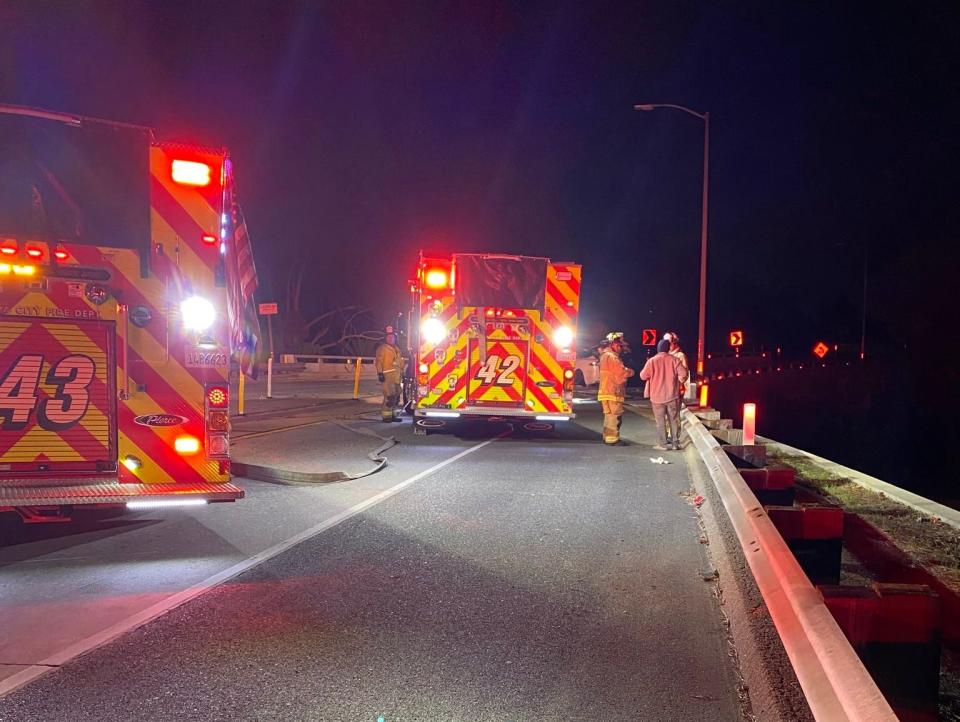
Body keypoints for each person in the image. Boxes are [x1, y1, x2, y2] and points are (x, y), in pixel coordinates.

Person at [640, 338, 688, 451]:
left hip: (657, 397)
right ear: (668, 348)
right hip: (672, 395)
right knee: (674, 419)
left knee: (660, 421)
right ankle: (675, 443)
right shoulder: (675, 360)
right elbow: (684, 373)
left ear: (658, 348)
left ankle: (663, 444)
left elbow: (643, 376)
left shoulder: (652, 361)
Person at [597, 332, 635, 445]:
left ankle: (607, 437)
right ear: (613, 344)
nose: (621, 348)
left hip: (605, 391)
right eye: (619, 346)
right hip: (614, 391)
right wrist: (631, 371)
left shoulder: (604, 356)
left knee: (609, 416)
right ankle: (612, 439)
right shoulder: (612, 357)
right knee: (615, 416)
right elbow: (621, 372)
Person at [375, 326, 405, 422]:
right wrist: (380, 373)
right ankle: (386, 417)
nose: (390, 338)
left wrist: (403, 372)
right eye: (388, 337)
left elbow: (400, 362)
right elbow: (378, 361)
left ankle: (393, 416)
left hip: (397, 376)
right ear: (385, 338)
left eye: (392, 337)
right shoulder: (382, 348)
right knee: (389, 397)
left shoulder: (397, 349)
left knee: (396, 397)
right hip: (387, 376)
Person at [665, 331, 690, 444]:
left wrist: (674, 383)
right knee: (666, 414)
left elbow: (683, 375)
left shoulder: (680, 356)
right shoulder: (666, 355)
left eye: (668, 342)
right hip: (666, 390)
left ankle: (674, 437)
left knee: (674, 414)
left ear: (674, 342)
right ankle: (667, 435)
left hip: (675, 390)